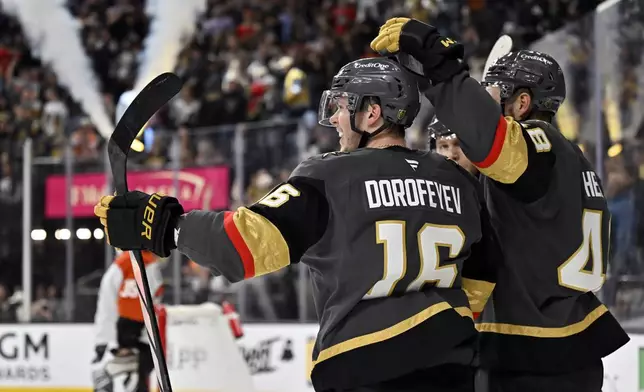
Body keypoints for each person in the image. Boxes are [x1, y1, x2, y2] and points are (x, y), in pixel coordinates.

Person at [94, 56, 501, 392]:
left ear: (372, 113)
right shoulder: (457, 179)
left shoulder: (332, 177)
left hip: (363, 365)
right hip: (453, 365)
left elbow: (240, 245)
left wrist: (165, 225)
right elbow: (483, 274)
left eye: (343, 106)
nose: (337, 119)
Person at [371, 17, 630, 392]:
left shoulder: (535, 142)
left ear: (522, 103)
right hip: (572, 346)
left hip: (530, 353)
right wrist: (434, 85)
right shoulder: (573, 159)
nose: (487, 101)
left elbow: (490, 140)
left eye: (495, 94)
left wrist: (439, 61)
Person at [92, 250, 163, 392]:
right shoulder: (126, 263)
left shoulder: (146, 262)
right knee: (144, 362)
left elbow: (154, 297)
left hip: (140, 325)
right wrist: (103, 338)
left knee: (145, 364)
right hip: (131, 324)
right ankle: (109, 372)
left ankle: (113, 374)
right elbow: (107, 303)